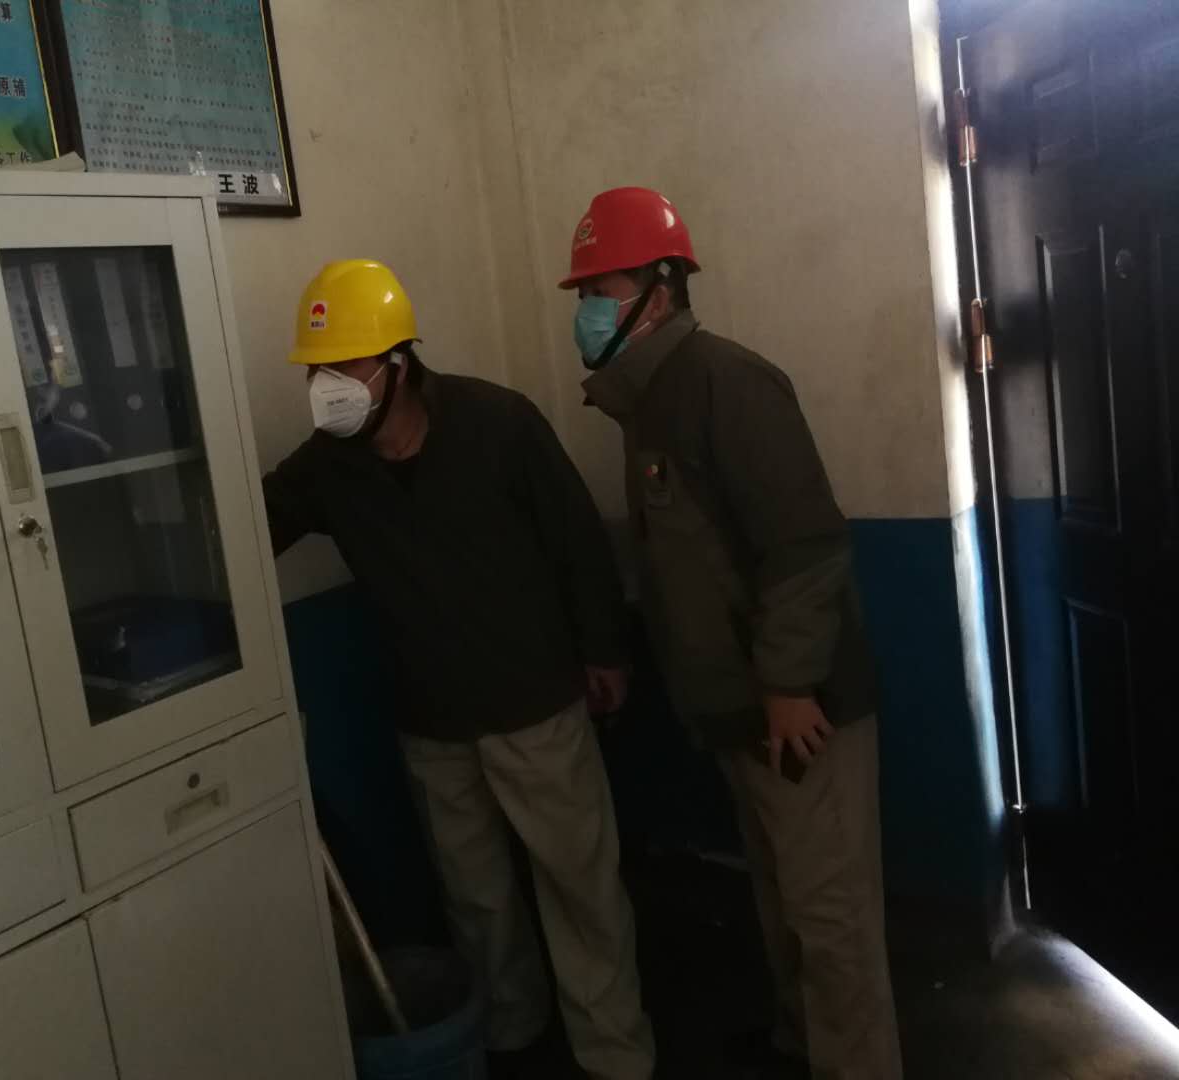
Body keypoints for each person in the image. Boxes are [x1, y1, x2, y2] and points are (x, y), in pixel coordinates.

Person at [262, 259, 655, 1080]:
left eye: (344, 367)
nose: (327, 387)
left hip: (534, 704)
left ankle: (614, 1052)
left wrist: (606, 652)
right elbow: (251, 526)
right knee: (476, 900)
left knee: (580, 888)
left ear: (398, 364)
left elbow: (577, 541)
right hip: (432, 720)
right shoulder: (328, 465)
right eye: (316, 370)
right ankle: (509, 1036)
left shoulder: (497, 423)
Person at [559, 188, 902, 1080]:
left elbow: (805, 548)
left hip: (801, 710)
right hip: (738, 710)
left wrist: (788, 687)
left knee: (829, 915)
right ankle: (801, 1043)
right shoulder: (645, 402)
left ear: (660, 290)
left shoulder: (727, 382)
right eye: (583, 293)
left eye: (602, 290)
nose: (586, 310)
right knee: (780, 893)